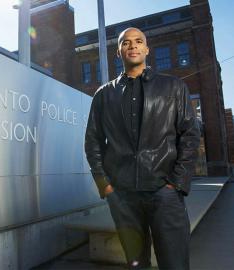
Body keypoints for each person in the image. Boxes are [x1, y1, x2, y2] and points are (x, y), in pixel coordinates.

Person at [84, 27, 201, 270]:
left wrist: (177, 183)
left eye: (138, 41)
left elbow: (190, 135)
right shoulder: (103, 95)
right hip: (123, 196)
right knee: (136, 265)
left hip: (165, 193)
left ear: (147, 49)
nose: (133, 46)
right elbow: (93, 141)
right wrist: (105, 185)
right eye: (126, 43)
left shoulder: (174, 87)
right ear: (119, 52)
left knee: (175, 263)